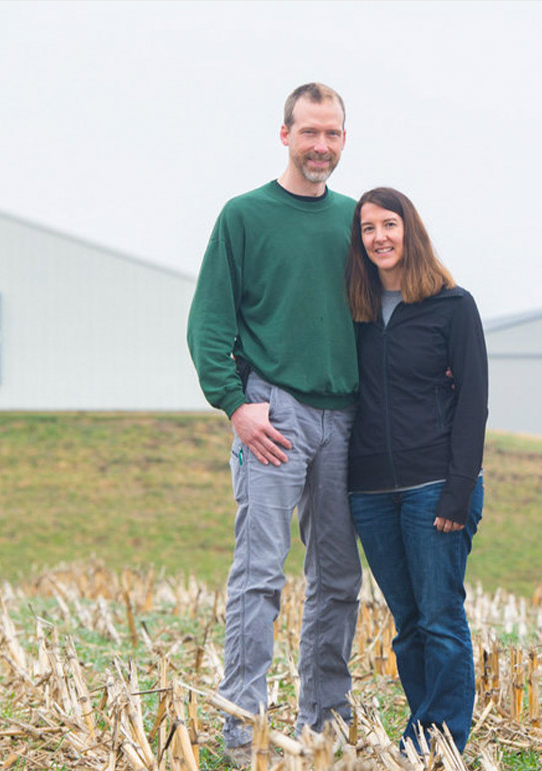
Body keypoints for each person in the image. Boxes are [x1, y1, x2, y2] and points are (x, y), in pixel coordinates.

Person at [186, 83, 362, 766]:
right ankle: (243, 728)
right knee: (260, 573)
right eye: (310, 132)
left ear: (344, 140)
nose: (322, 145)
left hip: (346, 417)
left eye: (334, 134)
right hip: (274, 413)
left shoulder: (356, 220)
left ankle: (324, 721)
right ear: (283, 133)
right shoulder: (245, 216)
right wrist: (237, 403)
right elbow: (209, 322)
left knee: (339, 578)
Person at [344, 187, 489, 754]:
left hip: (435, 486)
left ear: (411, 231)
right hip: (371, 492)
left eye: (389, 224)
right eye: (367, 228)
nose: (379, 237)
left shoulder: (452, 304)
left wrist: (457, 493)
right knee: (407, 624)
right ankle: (429, 735)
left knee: (440, 619)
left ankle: (436, 740)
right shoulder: (353, 313)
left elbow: (473, 402)